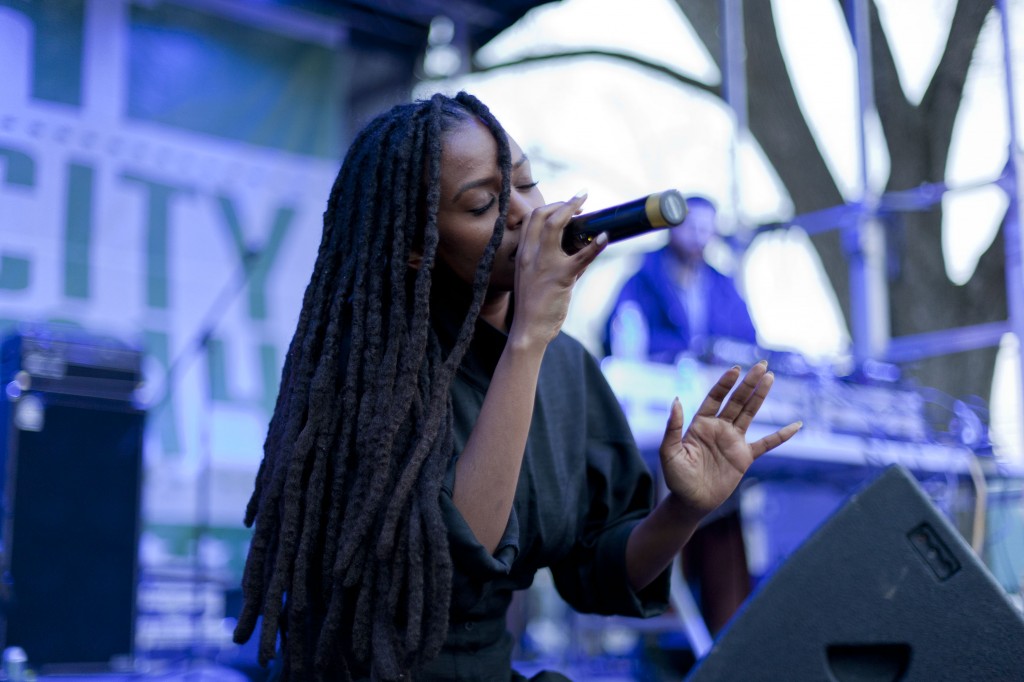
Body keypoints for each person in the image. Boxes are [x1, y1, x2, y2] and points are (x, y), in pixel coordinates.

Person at [232, 91, 800, 682]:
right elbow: (450, 566)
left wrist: (684, 510)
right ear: (416, 246)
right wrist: (527, 336)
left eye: (526, 184)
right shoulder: (371, 375)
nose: (527, 214)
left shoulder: (566, 367)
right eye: (484, 205)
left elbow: (599, 569)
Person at [602, 195, 757, 364]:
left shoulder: (723, 288)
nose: (697, 235)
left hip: (713, 385)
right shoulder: (643, 281)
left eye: (705, 229)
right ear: (671, 228)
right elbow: (616, 340)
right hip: (657, 383)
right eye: (691, 227)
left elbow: (748, 341)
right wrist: (685, 352)